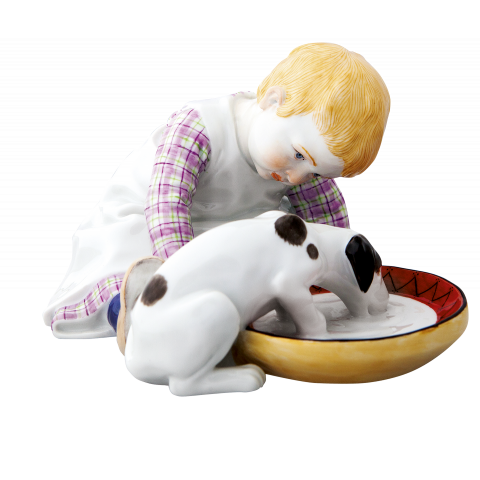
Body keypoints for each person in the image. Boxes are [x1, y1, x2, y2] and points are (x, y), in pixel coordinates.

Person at [43, 42, 390, 339]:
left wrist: (339, 272)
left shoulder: (298, 155)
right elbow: (167, 207)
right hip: (152, 223)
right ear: (273, 101)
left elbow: (326, 221)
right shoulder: (200, 128)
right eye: (299, 156)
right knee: (137, 271)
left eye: (314, 171)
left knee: (266, 262)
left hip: (220, 232)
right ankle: (125, 312)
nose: (297, 177)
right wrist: (184, 274)